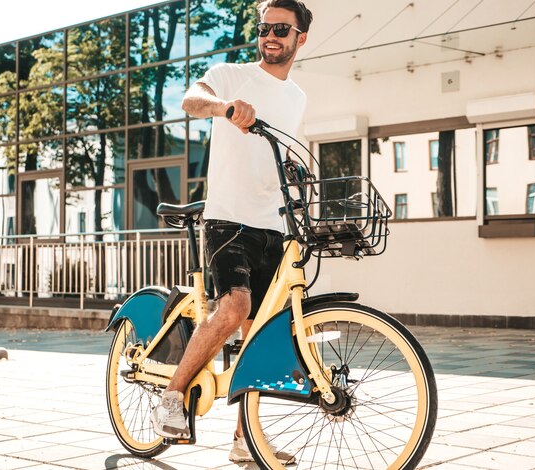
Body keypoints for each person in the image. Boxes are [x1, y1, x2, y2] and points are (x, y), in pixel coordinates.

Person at [151, 0, 313, 464]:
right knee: (235, 305)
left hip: (272, 225)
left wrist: (294, 167)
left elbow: (278, 152)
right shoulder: (230, 74)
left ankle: (245, 440)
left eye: (282, 28)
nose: (271, 35)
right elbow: (189, 99)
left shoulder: (297, 97)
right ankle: (173, 395)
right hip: (228, 217)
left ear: (301, 37)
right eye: (265, 27)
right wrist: (225, 108)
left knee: (259, 334)